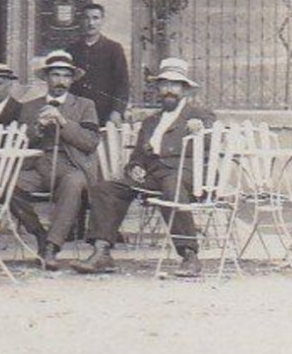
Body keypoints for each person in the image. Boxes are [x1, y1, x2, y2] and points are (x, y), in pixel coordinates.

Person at [73, 58, 216, 278]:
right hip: (153, 174)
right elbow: (137, 156)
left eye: (174, 85)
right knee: (106, 188)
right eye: (164, 84)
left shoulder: (198, 115)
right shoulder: (151, 122)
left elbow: (211, 137)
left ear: (184, 89)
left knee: (172, 186)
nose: (169, 90)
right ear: (158, 88)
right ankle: (102, 252)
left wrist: (200, 129)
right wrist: (136, 167)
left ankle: (189, 255)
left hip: (186, 173)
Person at [9, 50, 101, 271]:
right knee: (7, 184)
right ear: (46, 78)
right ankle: (39, 234)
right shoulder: (30, 106)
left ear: (71, 79)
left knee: (74, 182)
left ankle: (51, 247)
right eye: (55, 75)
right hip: (38, 165)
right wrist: (37, 130)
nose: (60, 81)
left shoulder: (85, 105)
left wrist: (63, 121)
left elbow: (90, 142)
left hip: (71, 165)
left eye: (65, 76)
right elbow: (20, 144)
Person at [66, 2, 131, 125]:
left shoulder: (114, 49)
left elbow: (122, 84)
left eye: (95, 18)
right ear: (81, 21)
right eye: (86, 18)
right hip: (77, 114)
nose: (91, 23)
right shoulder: (71, 50)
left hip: (105, 113)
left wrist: (117, 111)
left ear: (102, 21)